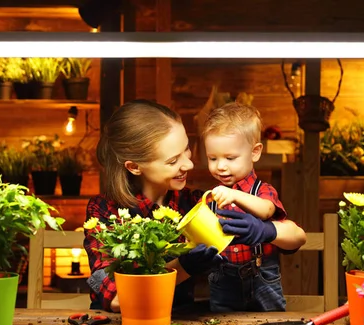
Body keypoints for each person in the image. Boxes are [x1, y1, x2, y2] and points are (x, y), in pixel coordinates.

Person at [84, 99, 305, 313]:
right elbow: (115, 299)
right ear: (134, 167)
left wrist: (266, 230)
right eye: (172, 161)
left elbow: (295, 234)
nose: (189, 164)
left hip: (181, 323)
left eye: (187, 150)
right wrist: (183, 267)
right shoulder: (103, 212)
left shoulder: (194, 203)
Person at [201, 102, 306, 312]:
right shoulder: (210, 197)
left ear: (255, 152)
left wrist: (235, 195)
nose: (220, 166)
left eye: (230, 158)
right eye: (213, 158)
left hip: (261, 276)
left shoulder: (262, 190)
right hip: (223, 279)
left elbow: (267, 210)